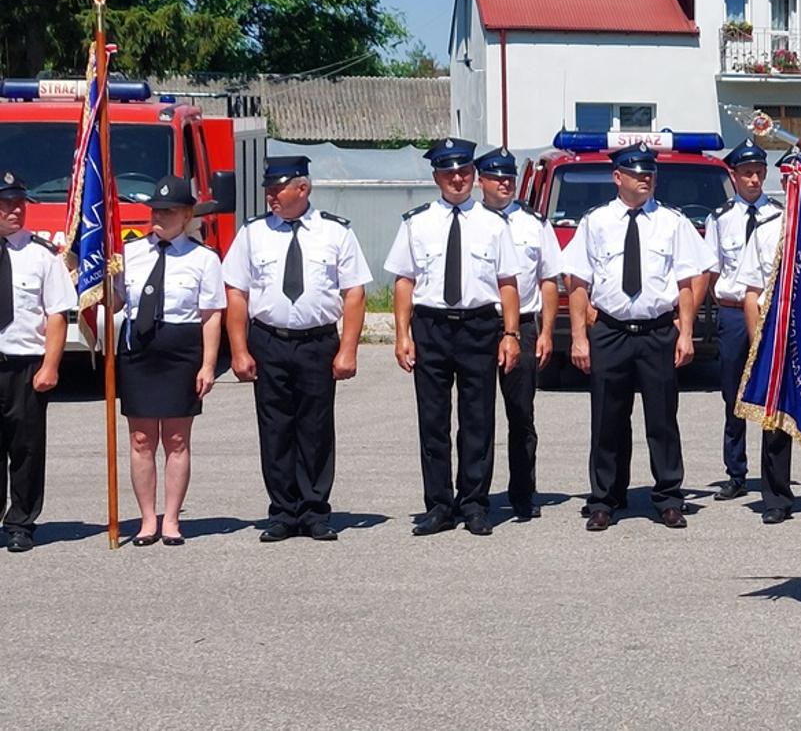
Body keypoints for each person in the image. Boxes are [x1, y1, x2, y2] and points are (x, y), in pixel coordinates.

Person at [563, 143, 717, 530]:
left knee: (662, 419)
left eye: (649, 172)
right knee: (607, 420)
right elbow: (577, 281)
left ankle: (668, 497)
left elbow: (687, 279)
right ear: (617, 177)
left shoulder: (672, 221)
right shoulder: (595, 222)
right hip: (611, 332)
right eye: (636, 173)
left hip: (657, 332)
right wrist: (579, 337)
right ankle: (604, 499)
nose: (645, 178)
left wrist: (686, 331)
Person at [224, 155, 372, 543]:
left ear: (302, 189)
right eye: (269, 190)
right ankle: (283, 512)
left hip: (317, 342)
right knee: (275, 429)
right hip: (269, 340)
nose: (271, 196)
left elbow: (354, 292)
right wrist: (239, 350)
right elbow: (236, 293)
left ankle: (314, 510)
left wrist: (348, 349)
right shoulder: (253, 233)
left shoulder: (335, 232)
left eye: (278, 189)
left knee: (316, 428)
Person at [387, 138, 526, 537]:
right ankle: (438, 505)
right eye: (449, 173)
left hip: (478, 326)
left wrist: (511, 333)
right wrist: (402, 334)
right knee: (433, 420)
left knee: (478, 418)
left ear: (473, 175)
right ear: (436, 177)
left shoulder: (493, 224)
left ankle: (475, 503)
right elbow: (404, 281)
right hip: (430, 326)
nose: (458, 179)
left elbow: (507, 283)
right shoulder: (416, 222)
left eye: (464, 172)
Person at [114, 176, 226, 546]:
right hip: (139, 351)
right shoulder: (129, 255)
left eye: (168, 211)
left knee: (177, 438)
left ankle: (172, 520)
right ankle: (148, 520)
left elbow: (211, 315)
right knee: (142, 438)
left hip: (181, 351)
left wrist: (208, 365)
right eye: (155, 211)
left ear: (187, 215)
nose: (159, 217)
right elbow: (114, 303)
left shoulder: (203, 258)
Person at [736, 156, 801, 524]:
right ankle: (776, 498)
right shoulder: (767, 229)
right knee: (774, 420)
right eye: (791, 180)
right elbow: (751, 290)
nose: (797, 187)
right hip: (775, 336)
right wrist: (756, 343)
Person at [476, 147, 562, 521]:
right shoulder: (470, 221)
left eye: (509, 178)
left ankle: (523, 491)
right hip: (478, 325)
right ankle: (475, 495)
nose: (504, 184)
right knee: (477, 415)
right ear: (481, 181)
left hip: (524, 325)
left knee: (521, 415)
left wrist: (545, 331)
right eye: (496, 178)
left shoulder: (533, 223)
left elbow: (548, 280)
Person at [0, 173, 76, 553]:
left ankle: (21, 523)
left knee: (26, 448)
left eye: (20, 203)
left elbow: (58, 314)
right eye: (6, 204)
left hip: (25, 365)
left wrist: (51, 365)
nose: (16, 210)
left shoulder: (42, 255)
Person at [706, 139, 785, 502]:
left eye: (759, 172)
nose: (754, 180)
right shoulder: (720, 218)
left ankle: (774, 474)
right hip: (734, 313)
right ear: (734, 175)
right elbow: (710, 271)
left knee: (774, 394)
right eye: (747, 173)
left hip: (772, 314)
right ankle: (736, 472)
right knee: (733, 396)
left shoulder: (780, 215)